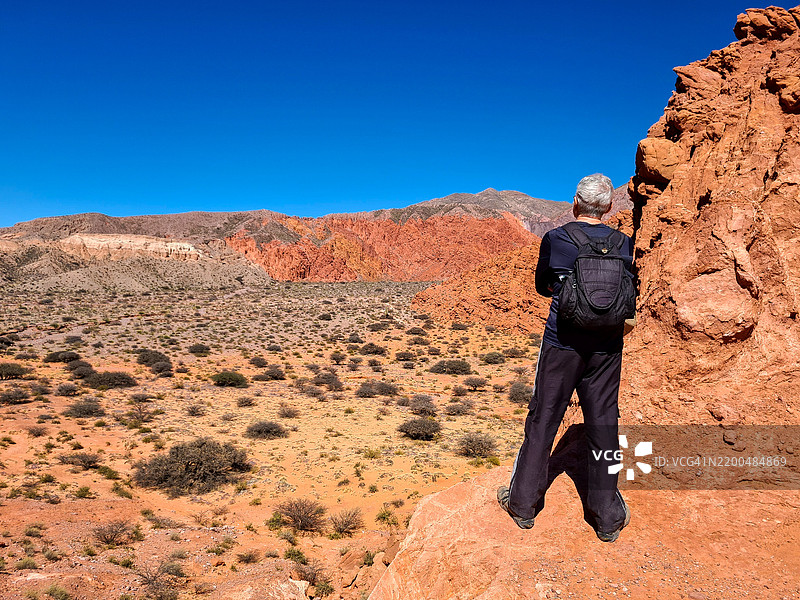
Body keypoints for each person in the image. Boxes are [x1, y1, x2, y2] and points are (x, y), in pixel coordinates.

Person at [497, 173, 634, 542]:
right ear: (608, 206)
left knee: (544, 416)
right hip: (606, 347)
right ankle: (606, 516)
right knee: (604, 423)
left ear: (575, 202)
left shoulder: (557, 238)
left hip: (561, 343)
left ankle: (523, 504)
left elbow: (542, 284)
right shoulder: (623, 242)